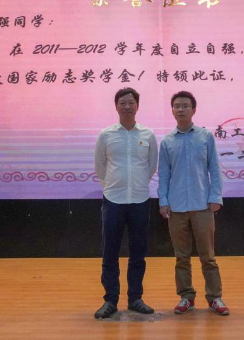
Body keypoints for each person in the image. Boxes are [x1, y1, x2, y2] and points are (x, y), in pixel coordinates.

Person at [158, 90, 230, 316]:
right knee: (181, 257)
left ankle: (215, 297)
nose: (181, 109)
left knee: (208, 256)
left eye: (185, 106)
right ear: (172, 110)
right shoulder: (167, 142)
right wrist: (163, 201)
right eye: (177, 106)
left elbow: (214, 169)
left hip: (202, 205)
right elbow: (164, 175)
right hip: (176, 207)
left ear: (194, 110)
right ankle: (186, 297)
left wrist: (215, 197)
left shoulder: (205, 136)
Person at [93, 87, 158, 319]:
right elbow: (100, 166)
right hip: (113, 200)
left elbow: (151, 166)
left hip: (140, 199)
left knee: (138, 252)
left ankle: (135, 298)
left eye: (131, 102)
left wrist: (137, 184)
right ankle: (110, 300)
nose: (127, 106)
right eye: (123, 102)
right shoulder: (106, 135)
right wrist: (111, 186)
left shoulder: (148, 135)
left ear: (137, 106)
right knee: (110, 251)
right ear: (116, 106)